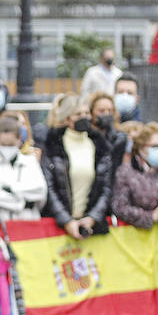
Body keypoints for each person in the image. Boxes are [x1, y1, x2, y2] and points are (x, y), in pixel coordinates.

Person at [41, 94, 114, 240]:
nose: (84, 117)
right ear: (67, 118)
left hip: (91, 226)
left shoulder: (100, 145)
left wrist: (92, 218)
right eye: (78, 114)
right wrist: (67, 221)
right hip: (58, 227)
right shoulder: (52, 144)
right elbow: (49, 187)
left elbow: (106, 187)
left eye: (87, 113)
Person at [0, 118, 47, 221]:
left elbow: (40, 191)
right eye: (4, 144)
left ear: (19, 139)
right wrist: (23, 202)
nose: (7, 148)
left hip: (29, 220)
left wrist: (11, 189)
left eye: (10, 144)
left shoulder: (30, 161)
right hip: (1, 220)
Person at [88, 91, 127, 172]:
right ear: (91, 112)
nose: (106, 114)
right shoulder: (86, 136)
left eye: (110, 110)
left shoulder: (119, 137)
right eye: (101, 111)